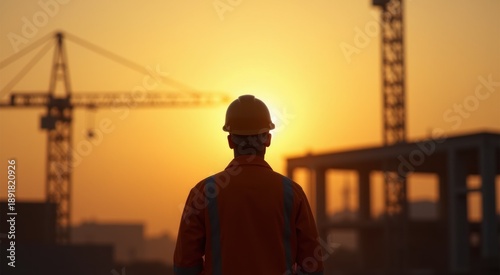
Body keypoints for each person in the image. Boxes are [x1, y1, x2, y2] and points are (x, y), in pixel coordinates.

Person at [174, 95, 324, 275]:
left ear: (230, 141)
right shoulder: (292, 193)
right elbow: (313, 267)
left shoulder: (204, 192)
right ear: (268, 139)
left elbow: (185, 266)